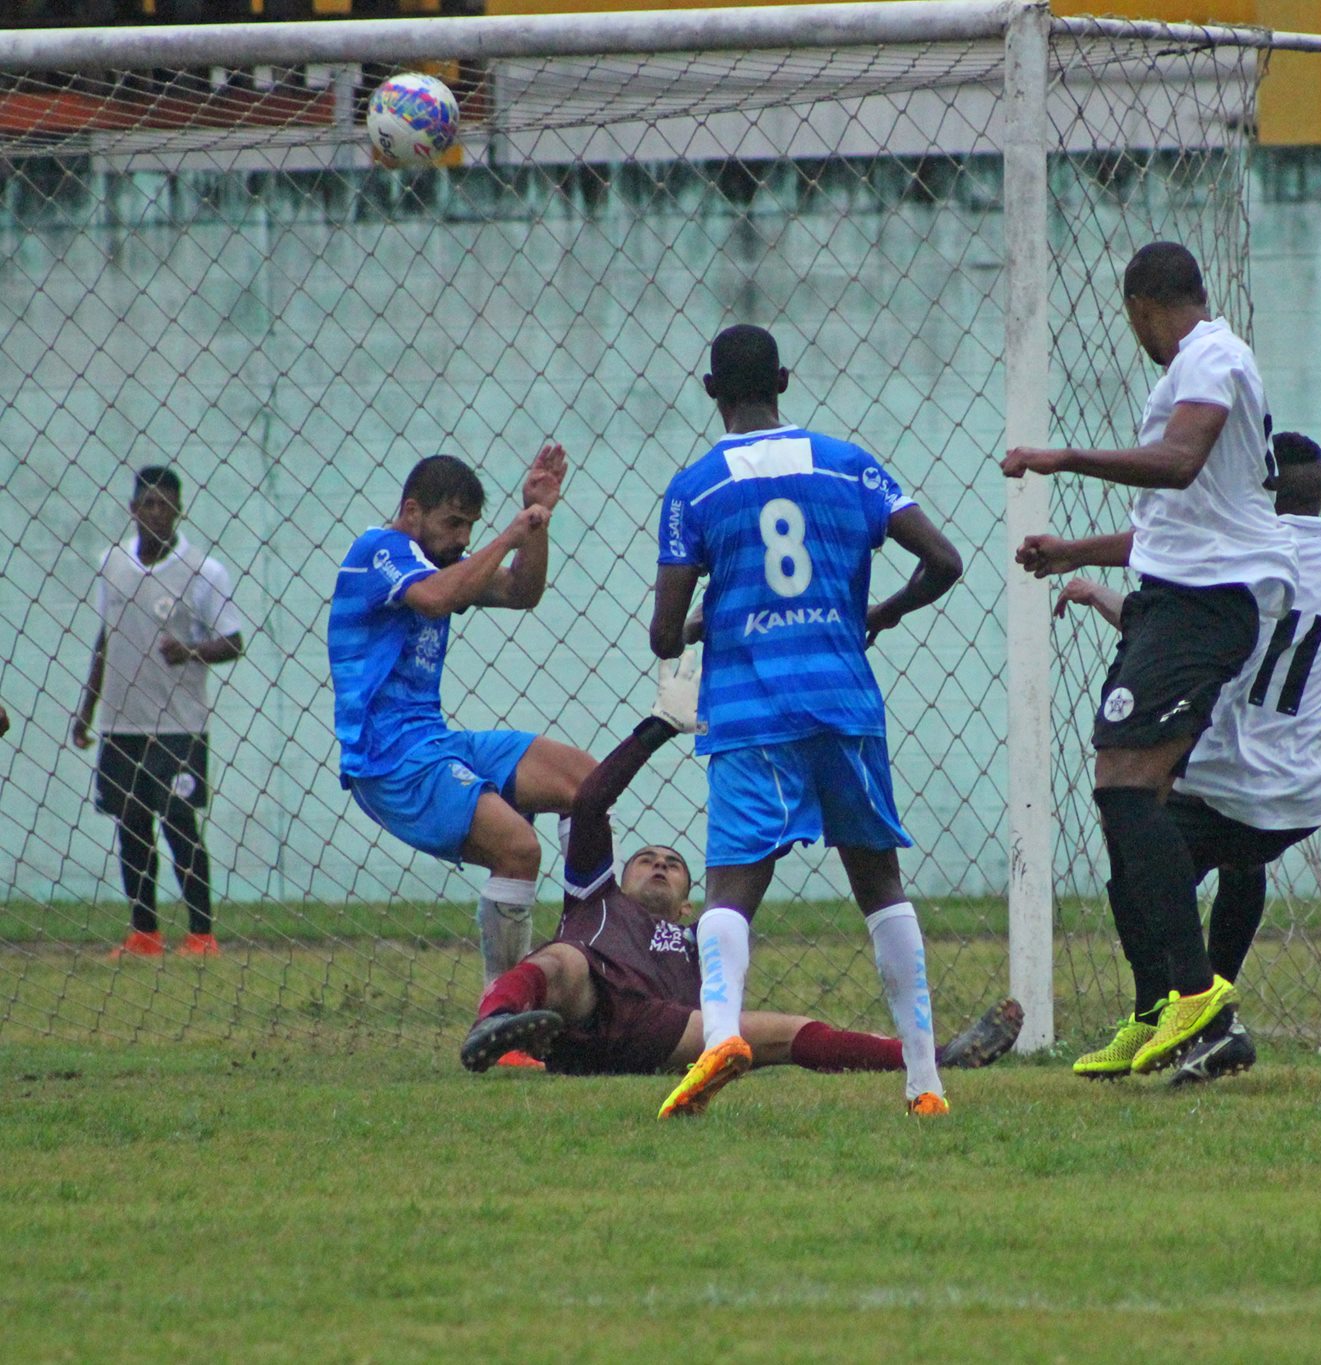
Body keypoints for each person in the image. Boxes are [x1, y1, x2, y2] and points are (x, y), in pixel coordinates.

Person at [648, 324, 965, 1118]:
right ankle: (925, 1081)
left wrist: (703, 623)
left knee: (729, 890)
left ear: (712, 391)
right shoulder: (849, 464)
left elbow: (662, 632)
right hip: (842, 704)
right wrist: (880, 614)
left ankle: (722, 1032)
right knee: (879, 884)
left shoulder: (696, 489)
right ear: (784, 380)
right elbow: (946, 562)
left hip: (753, 715)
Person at [1001, 241, 1297, 1079]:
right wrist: (1075, 552)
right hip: (1181, 596)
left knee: (1125, 789)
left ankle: (1196, 993)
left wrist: (1062, 457)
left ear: (1139, 305)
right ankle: (1156, 1008)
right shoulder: (1205, 365)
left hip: (1204, 608)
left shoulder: (1211, 357)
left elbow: (1178, 464)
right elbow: (1180, 521)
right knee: (1128, 810)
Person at [1025, 433, 1321, 1084]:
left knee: (1134, 836)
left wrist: (1085, 576)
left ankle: (1171, 1009)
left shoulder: (1233, 554)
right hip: (1305, 794)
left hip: (1227, 774)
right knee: (1239, 854)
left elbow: (1165, 633)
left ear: (1256, 490)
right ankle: (1208, 1013)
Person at [458, 674, 1023, 1083]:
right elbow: (589, 802)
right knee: (561, 960)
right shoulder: (592, 898)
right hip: (581, 1007)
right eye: (647, 858)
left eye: (674, 864)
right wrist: (657, 728)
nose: (659, 864)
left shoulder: (704, 935)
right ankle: (494, 1023)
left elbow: (737, 907)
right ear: (618, 876)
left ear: (686, 903)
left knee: (786, 1030)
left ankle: (934, 1058)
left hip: (661, 1032)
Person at [327, 445, 597, 1018]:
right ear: (411, 510)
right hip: (390, 761)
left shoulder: (438, 559)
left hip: (435, 741)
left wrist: (538, 519)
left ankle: (590, 947)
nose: (460, 538)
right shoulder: (379, 550)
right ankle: (503, 1013)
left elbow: (522, 593)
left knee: (588, 783)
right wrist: (506, 536)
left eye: (468, 527)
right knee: (519, 850)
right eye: (452, 524)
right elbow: (435, 599)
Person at [72, 467, 246, 958]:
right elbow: (105, 638)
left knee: (179, 825)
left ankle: (201, 934)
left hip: (179, 727)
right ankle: (144, 933)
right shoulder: (111, 564)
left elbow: (233, 642)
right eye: (146, 504)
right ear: (132, 509)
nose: (155, 514)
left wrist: (190, 651)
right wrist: (87, 711)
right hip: (120, 725)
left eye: (164, 505)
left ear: (178, 511)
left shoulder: (205, 572)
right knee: (130, 826)